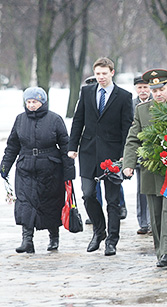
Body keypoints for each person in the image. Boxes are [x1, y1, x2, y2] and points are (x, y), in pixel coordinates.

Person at [68, 57, 133, 256]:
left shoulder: (123, 96)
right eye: (98, 74)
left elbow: (127, 128)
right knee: (88, 194)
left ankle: (112, 240)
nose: (101, 77)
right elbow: (78, 120)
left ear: (112, 72)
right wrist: (73, 146)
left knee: (112, 200)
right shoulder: (87, 92)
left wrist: (124, 155)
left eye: (104, 73)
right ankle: (99, 231)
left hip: (112, 156)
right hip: (88, 152)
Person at [0, 87, 75, 253]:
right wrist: (5, 166)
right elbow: (12, 145)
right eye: (28, 102)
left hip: (50, 168)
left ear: (42, 102)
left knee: (50, 203)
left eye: (34, 102)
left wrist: (69, 171)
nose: (31, 105)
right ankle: (27, 240)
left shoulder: (55, 119)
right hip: (26, 167)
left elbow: (65, 145)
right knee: (25, 202)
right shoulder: (20, 119)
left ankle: (54, 237)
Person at [123, 68, 167, 267]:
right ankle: (161, 251)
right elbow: (133, 139)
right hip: (150, 170)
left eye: (161, 89)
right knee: (155, 215)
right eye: (154, 89)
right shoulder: (142, 110)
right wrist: (128, 164)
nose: (157, 93)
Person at [132, 76, 152, 235]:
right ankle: (143, 222)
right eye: (140, 87)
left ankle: (153, 222)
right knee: (141, 189)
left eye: (146, 87)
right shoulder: (130, 104)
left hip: (153, 152)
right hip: (138, 152)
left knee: (153, 189)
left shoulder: (155, 103)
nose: (143, 90)